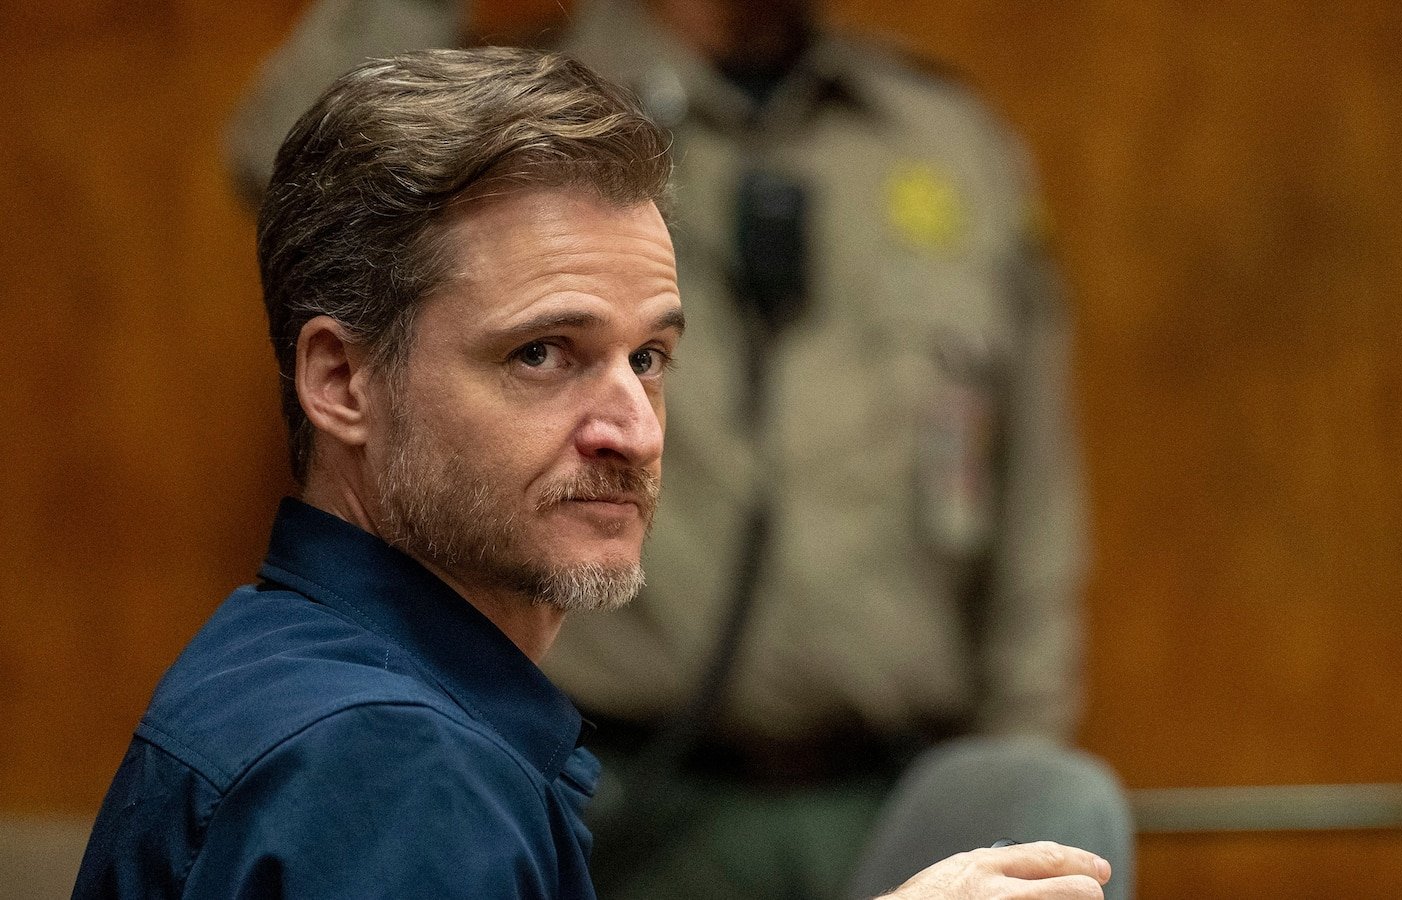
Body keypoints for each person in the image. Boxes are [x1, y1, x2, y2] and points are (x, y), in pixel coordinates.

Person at [72, 46, 1115, 900]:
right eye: (542, 354)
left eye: (649, 357)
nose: (634, 430)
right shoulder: (387, 764)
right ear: (342, 381)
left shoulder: (313, 674)